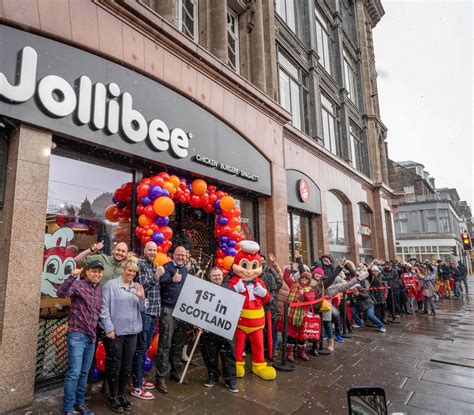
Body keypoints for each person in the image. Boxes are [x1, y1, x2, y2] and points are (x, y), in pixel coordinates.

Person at [76, 241, 129, 398]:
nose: (120, 253)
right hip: (92, 314)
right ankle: (87, 387)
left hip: (112, 319)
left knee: (113, 353)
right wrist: (91, 249)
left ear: (126, 254)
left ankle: (108, 384)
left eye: (123, 251)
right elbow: (77, 260)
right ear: (114, 250)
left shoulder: (126, 267)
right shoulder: (101, 259)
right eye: (118, 249)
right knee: (90, 355)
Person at [57, 260, 104, 415]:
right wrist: (71, 277)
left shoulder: (99, 290)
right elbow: (61, 293)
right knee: (74, 372)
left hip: (91, 336)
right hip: (77, 334)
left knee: (84, 373)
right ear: (88, 272)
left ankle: (79, 403)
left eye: (99, 272)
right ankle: (68, 408)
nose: (97, 274)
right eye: (94, 271)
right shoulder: (79, 285)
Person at [101, 255, 145, 412]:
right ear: (123, 269)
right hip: (116, 332)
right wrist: (109, 328)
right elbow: (104, 308)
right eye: (129, 270)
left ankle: (122, 395)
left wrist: (141, 298)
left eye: (134, 271)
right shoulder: (111, 285)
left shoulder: (137, 287)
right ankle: (113, 396)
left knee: (127, 365)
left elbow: (143, 309)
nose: (131, 273)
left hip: (132, 332)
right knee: (115, 364)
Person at [130, 242, 165, 400]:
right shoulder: (141, 265)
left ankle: (138, 379)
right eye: (150, 249)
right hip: (145, 313)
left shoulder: (154, 265)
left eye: (154, 250)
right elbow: (142, 287)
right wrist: (156, 276)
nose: (152, 252)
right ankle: (136, 385)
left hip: (153, 314)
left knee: (143, 348)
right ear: (144, 250)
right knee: (140, 348)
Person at [155, 245, 190, 394]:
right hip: (168, 310)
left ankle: (175, 371)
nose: (181, 257)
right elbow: (159, 282)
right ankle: (161, 377)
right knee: (165, 344)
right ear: (173, 254)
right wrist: (171, 279)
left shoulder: (186, 271)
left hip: (182, 312)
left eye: (183, 255)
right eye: (178, 254)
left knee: (178, 343)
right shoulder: (167, 267)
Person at [200, 267, 238, 392]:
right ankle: (213, 375)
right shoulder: (204, 289)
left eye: (219, 275)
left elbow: (235, 308)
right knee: (209, 354)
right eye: (214, 276)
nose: (217, 277)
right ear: (209, 277)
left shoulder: (230, 289)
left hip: (225, 329)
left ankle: (230, 379)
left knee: (228, 355)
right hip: (209, 329)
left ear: (223, 276)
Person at [260, 253, 283, 358]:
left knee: (272, 329)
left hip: (270, 305)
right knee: (262, 329)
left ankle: (274, 349)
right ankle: (265, 348)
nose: (261, 261)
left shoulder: (269, 271)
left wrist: (270, 295)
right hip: (259, 307)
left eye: (262, 260)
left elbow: (279, 282)